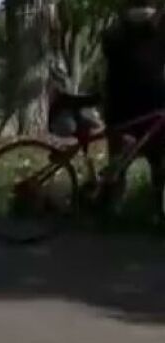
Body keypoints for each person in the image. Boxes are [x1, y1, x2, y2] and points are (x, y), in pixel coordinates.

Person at [97, 0, 165, 215]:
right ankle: (111, 206)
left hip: (139, 111)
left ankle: (111, 208)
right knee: (138, 163)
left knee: (149, 162)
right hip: (135, 112)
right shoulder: (121, 36)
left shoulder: (116, 34)